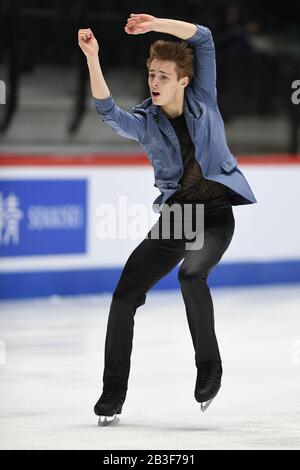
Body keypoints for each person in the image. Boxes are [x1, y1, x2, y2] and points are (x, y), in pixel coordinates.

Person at [78, 13, 256, 424]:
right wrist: (93, 58)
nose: (154, 82)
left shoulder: (204, 98)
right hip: (179, 217)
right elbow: (107, 112)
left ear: (183, 80)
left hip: (215, 215)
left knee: (192, 274)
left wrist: (157, 22)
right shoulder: (145, 122)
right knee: (124, 296)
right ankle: (113, 392)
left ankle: (209, 365)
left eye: (163, 75)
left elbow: (205, 37)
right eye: (151, 75)